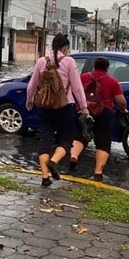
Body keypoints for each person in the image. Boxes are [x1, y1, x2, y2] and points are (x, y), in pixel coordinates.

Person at [26, 33, 89, 187]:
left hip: (44, 107)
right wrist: (84, 106)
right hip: (64, 107)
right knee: (66, 139)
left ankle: (45, 177)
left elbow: (32, 84)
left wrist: (30, 100)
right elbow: (77, 86)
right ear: (65, 47)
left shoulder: (42, 61)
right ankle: (54, 161)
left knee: (45, 140)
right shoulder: (68, 61)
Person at [69, 57, 128, 181]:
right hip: (104, 113)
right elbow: (120, 101)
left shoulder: (83, 77)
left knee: (80, 136)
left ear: (94, 66)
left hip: (84, 111)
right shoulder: (112, 81)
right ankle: (98, 173)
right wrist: (123, 110)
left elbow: (76, 91)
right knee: (103, 142)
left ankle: (74, 156)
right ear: (107, 68)